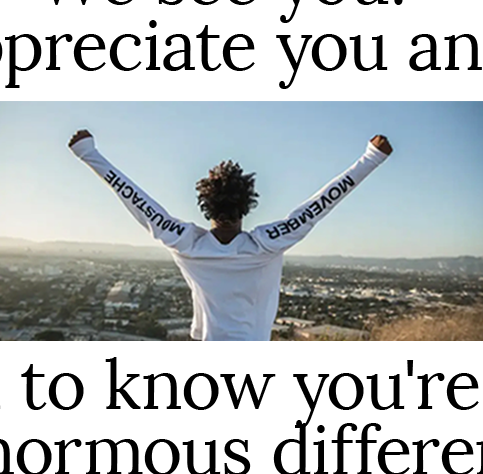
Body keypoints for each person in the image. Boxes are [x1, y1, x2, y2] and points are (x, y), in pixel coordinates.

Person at [68, 129, 392, 341]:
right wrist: (370, 158)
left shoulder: (186, 243)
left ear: (206, 208)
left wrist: (88, 152)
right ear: (246, 207)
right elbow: (318, 206)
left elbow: (136, 200)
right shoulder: (266, 243)